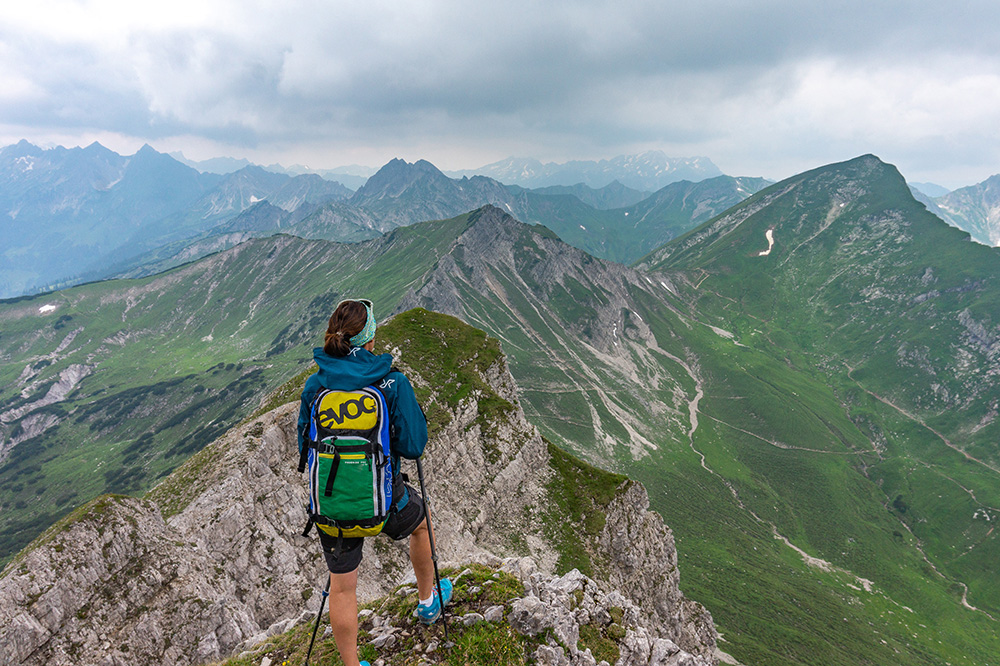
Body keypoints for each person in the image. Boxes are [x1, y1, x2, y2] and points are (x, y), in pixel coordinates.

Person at [297, 298, 451, 666]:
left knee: (343, 587)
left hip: (332, 505)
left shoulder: (315, 387)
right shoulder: (391, 382)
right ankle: (428, 602)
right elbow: (414, 446)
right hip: (387, 500)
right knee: (422, 524)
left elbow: (305, 444)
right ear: (370, 339)